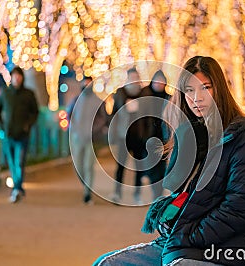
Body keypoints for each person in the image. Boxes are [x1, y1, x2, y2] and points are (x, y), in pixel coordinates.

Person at [93, 56, 245, 265]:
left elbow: (240, 210)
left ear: (219, 89)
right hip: (183, 243)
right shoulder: (192, 135)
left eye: (206, 88)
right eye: (190, 91)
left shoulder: (244, 136)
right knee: (107, 263)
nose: (197, 97)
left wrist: (186, 235)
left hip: (224, 251)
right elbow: (182, 196)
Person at [0, 66, 39, 203]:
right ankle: (18, 187)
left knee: (19, 162)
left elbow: (35, 112)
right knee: (12, 164)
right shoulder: (5, 93)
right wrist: (2, 127)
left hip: (23, 135)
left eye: (19, 76)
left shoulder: (28, 94)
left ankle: (17, 188)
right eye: (14, 76)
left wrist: (28, 125)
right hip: (8, 135)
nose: (16, 78)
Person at [110, 67, 148, 205]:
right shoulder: (120, 93)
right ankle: (117, 193)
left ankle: (137, 195)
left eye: (135, 78)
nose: (134, 80)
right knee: (120, 166)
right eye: (131, 77)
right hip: (123, 136)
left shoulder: (144, 93)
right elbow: (114, 114)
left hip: (139, 135)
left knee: (139, 167)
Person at [69, 76, 107, 204]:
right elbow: (69, 116)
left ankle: (87, 192)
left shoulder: (98, 101)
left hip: (91, 139)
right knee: (78, 166)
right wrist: (74, 128)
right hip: (77, 138)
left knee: (88, 166)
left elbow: (103, 118)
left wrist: (94, 129)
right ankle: (85, 184)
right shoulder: (75, 100)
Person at [139, 70, 171, 200]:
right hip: (149, 136)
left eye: (162, 81)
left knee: (162, 164)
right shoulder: (146, 95)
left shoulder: (169, 97)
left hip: (164, 136)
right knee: (151, 165)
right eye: (157, 81)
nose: (159, 84)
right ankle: (155, 190)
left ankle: (158, 192)